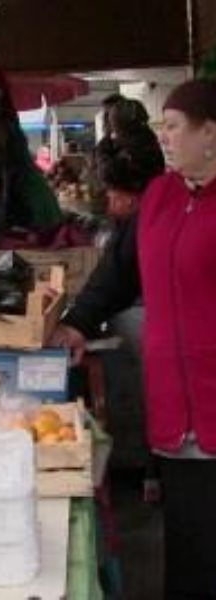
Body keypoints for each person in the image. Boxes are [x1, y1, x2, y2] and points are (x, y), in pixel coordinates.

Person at [52, 79, 216, 598]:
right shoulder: (161, 197)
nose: (162, 137)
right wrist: (77, 321)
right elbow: (118, 271)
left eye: (172, 126)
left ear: (209, 132)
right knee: (189, 545)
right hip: (172, 407)